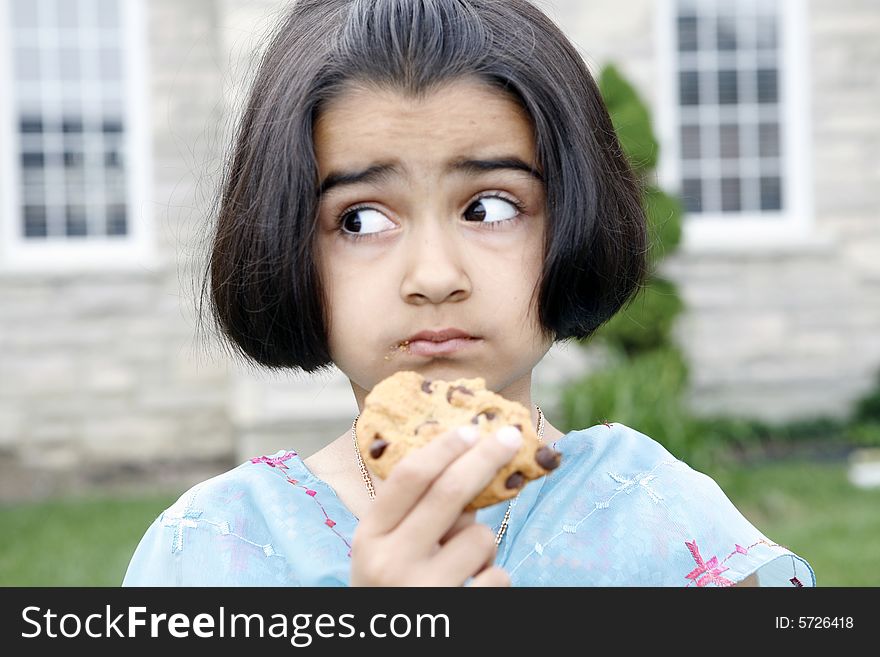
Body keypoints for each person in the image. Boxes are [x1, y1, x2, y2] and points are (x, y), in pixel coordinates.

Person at [123, 0, 815, 587]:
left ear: (571, 217)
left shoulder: (669, 525)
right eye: (361, 218)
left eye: (489, 207)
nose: (433, 275)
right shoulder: (209, 550)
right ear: (288, 246)